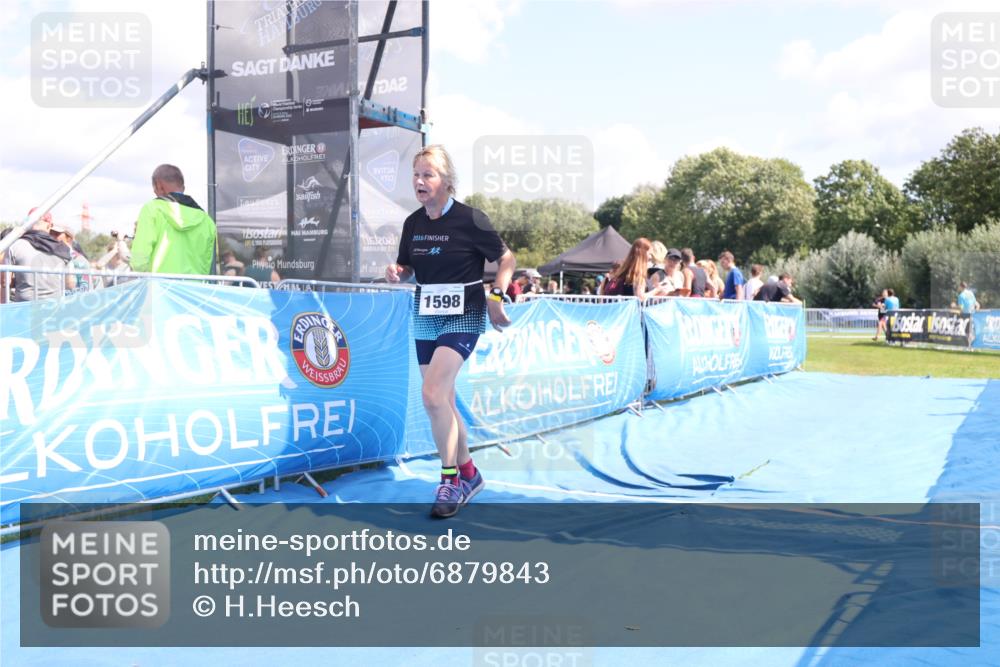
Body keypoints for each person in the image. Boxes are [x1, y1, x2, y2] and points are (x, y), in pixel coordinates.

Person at [385, 145, 516, 518]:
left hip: (464, 311)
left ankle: (450, 480)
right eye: (416, 174)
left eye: (428, 174)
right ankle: (470, 473)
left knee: (431, 396)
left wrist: (497, 294)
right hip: (426, 313)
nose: (419, 181)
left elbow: (506, 258)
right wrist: (397, 272)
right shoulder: (413, 223)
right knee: (442, 400)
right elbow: (407, 267)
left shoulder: (471, 219)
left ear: (446, 181)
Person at [131, 164, 217, 274]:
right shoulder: (207, 221)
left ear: (159, 186)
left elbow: (139, 262)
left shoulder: (152, 209)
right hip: (194, 284)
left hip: (159, 283)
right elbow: (206, 266)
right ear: (183, 187)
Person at [4, 209, 72, 301]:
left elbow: (5, 282)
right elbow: (70, 284)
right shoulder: (64, 249)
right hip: (54, 305)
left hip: (24, 305)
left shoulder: (14, 245)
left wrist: (22, 279)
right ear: (50, 225)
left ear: (27, 223)